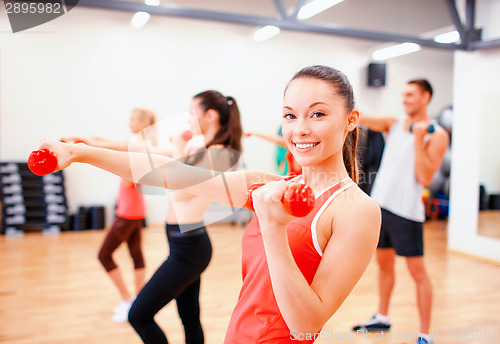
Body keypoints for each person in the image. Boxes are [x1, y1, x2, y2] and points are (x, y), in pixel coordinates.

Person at [37, 65, 381, 343]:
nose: (300, 129)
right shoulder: (272, 186)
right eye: (290, 116)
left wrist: (274, 227)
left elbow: (305, 325)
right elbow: (165, 174)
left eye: (317, 114)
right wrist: (80, 153)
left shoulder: (356, 210)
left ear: (351, 119)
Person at [352, 79, 449, 344]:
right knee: (384, 265)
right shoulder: (393, 124)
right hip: (380, 206)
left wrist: (418, 138)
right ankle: (382, 317)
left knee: (418, 273)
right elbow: (362, 117)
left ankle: (424, 334)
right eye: (403, 95)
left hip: (407, 212)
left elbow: (425, 177)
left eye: (410, 94)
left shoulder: (436, 134)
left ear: (425, 97)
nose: (404, 99)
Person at [64, 107, 157, 322]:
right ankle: (137, 300)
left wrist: (92, 150)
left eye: (133, 119)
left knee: (104, 255)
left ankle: (127, 300)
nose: (129, 123)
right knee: (136, 254)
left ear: (144, 122)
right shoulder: (136, 144)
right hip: (134, 210)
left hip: (129, 212)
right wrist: (81, 140)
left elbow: (127, 177)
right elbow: (106, 142)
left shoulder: (142, 146)